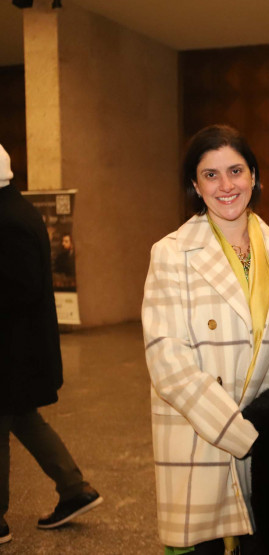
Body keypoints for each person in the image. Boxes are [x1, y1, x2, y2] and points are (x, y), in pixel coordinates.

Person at [141, 125, 269, 554]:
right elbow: (167, 361)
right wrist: (241, 433)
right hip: (204, 436)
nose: (226, 185)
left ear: (254, 176)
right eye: (210, 175)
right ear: (195, 186)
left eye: (236, 170)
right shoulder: (171, 252)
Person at [0, 144, 102, 546]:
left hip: (11, 353)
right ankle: (75, 490)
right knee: (24, 419)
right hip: (16, 353)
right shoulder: (13, 209)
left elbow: (18, 288)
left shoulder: (7, 219)